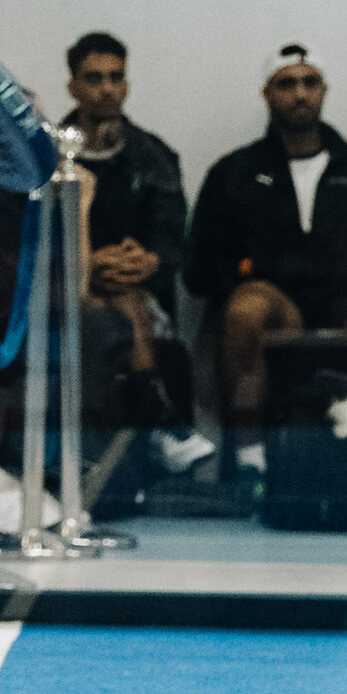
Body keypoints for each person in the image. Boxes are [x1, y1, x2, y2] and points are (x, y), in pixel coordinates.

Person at [184, 43, 347, 480]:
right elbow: (201, 265)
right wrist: (248, 277)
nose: (300, 94)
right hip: (275, 299)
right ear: (267, 93)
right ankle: (251, 459)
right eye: (287, 84)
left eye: (310, 83)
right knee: (246, 309)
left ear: (324, 90)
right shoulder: (234, 172)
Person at [61, 30, 204, 460]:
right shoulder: (48, 154)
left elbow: (174, 243)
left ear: (126, 84)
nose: (107, 88)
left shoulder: (154, 156)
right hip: (63, 289)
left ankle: (152, 421)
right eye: (94, 78)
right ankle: (161, 422)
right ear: (73, 86)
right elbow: (27, 231)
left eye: (116, 77)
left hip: (139, 292)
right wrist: (86, 263)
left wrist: (148, 260)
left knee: (128, 299)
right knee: (123, 303)